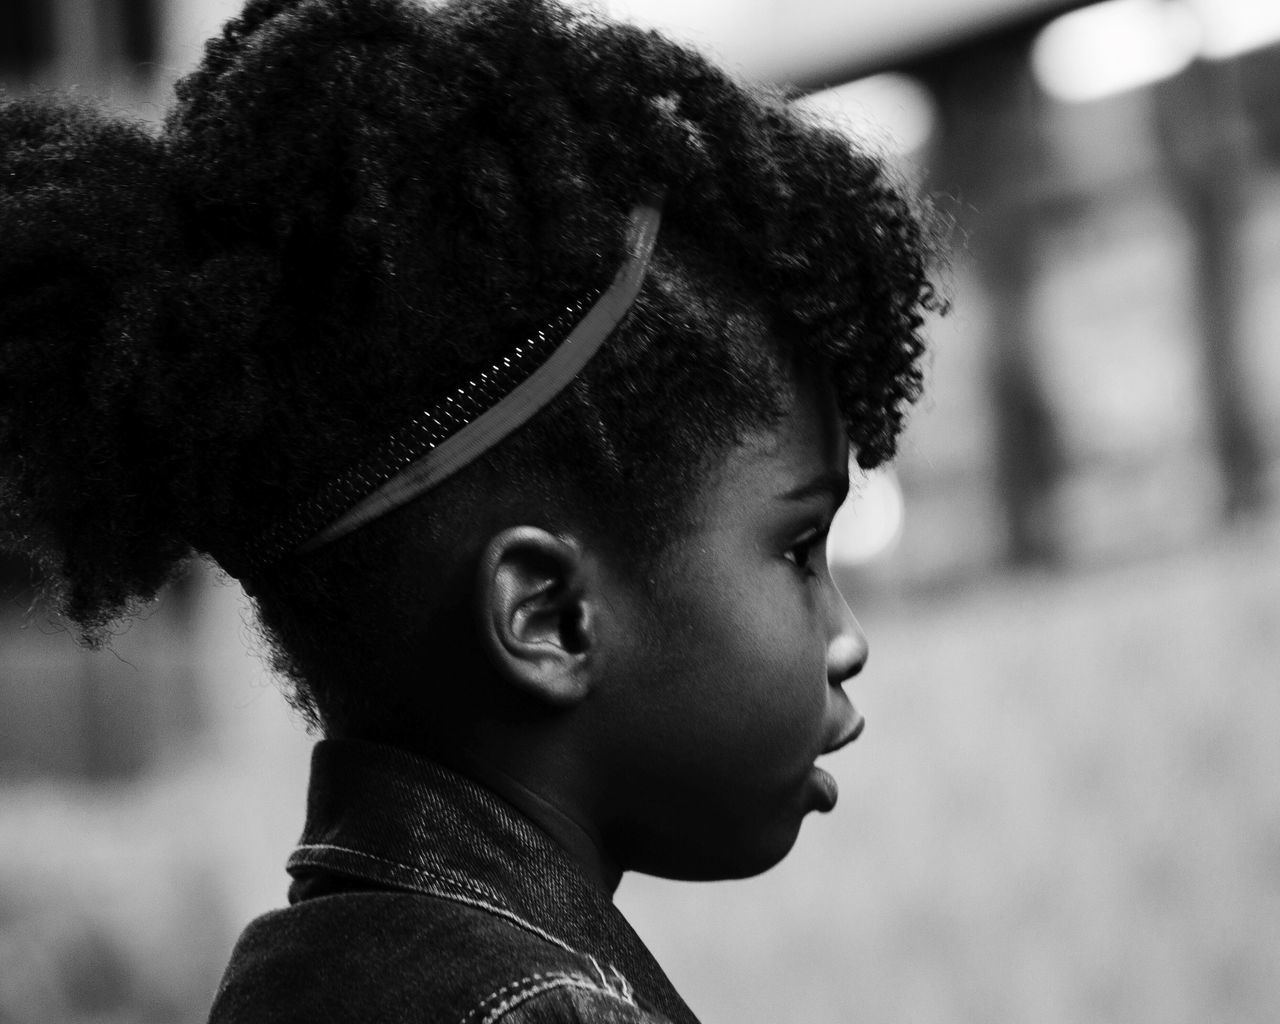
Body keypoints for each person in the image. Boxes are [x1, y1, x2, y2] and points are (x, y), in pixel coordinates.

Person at [0, 0, 943, 1019]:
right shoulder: (537, 1009)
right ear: (546, 614)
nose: (843, 639)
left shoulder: (301, 978)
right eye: (798, 545)